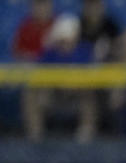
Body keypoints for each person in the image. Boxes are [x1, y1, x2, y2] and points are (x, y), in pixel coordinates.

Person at [23, 13, 98, 141]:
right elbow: (39, 75)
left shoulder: (84, 50)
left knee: (89, 94)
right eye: (63, 39)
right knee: (31, 92)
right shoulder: (50, 53)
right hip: (54, 93)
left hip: (77, 93)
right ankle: (35, 131)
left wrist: (75, 82)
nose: (66, 43)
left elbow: (93, 74)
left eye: (69, 38)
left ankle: (87, 130)